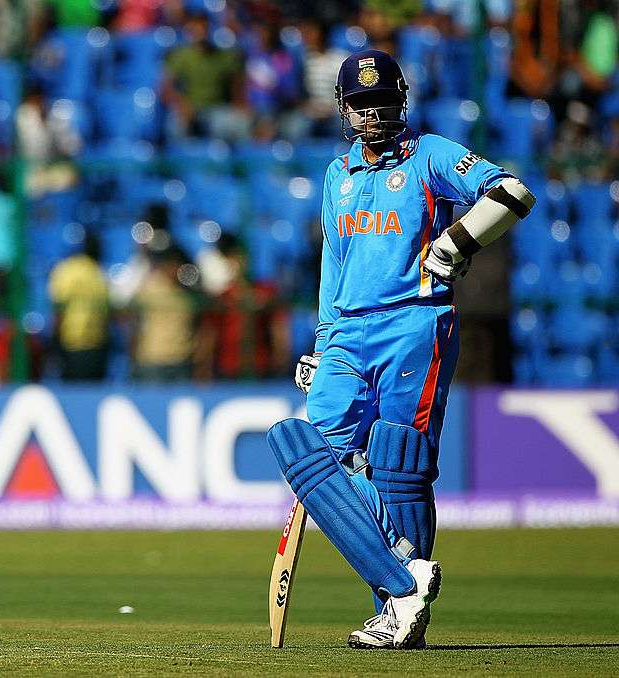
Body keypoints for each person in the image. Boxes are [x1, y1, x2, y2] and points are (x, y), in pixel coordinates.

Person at [267, 50, 536, 650]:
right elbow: (333, 265)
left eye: (383, 100)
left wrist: (455, 242)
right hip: (345, 334)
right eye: (361, 104)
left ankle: (397, 614)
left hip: (414, 324)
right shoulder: (336, 175)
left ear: (402, 101)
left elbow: (513, 192)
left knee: (399, 464)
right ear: (343, 108)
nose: (373, 113)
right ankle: (404, 579)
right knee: (311, 453)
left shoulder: (429, 155)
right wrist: (322, 342)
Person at [198, 233, 289, 381]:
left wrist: (281, 359)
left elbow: (278, 328)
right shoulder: (223, 296)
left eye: (240, 257)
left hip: (261, 370)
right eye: (232, 258)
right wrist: (203, 368)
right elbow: (209, 334)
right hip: (227, 370)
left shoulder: (266, 292)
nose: (237, 262)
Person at [162, 12, 249, 141]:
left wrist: (239, 105)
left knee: (241, 123)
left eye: (203, 27)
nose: (200, 32)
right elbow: (166, 89)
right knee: (177, 126)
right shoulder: (180, 56)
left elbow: (237, 83)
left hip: (218, 110)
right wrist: (182, 105)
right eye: (196, 27)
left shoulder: (224, 56)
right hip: (191, 109)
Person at [129, 246, 202, 382]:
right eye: (171, 265)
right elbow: (134, 322)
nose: (174, 269)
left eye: (178, 265)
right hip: (153, 360)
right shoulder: (149, 288)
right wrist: (133, 356)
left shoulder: (190, 292)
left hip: (182, 360)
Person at [48, 234, 111, 381]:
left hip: (70, 343)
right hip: (95, 344)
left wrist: (54, 341)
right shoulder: (98, 272)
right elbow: (107, 312)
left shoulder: (65, 270)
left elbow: (58, 309)